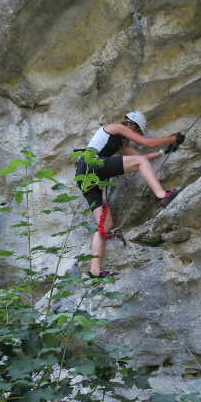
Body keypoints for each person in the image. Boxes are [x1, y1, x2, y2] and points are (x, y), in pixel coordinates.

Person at [75, 111, 185, 278]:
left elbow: (141, 158)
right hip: (92, 164)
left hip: (84, 175)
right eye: (137, 132)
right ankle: (162, 195)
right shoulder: (115, 127)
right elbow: (148, 144)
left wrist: (165, 150)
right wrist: (174, 138)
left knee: (104, 223)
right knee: (140, 163)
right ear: (133, 126)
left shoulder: (120, 144)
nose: (135, 136)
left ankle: (94, 271)